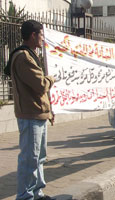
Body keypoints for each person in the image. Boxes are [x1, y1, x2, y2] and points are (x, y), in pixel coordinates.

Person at [7, 20, 56, 200]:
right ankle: (25, 196)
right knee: (29, 158)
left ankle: (37, 192)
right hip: (30, 115)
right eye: (41, 35)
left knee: (39, 158)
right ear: (33, 35)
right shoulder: (23, 57)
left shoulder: (31, 55)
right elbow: (40, 84)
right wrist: (51, 79)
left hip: (38, 114)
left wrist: (49, 110)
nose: (43, 39)